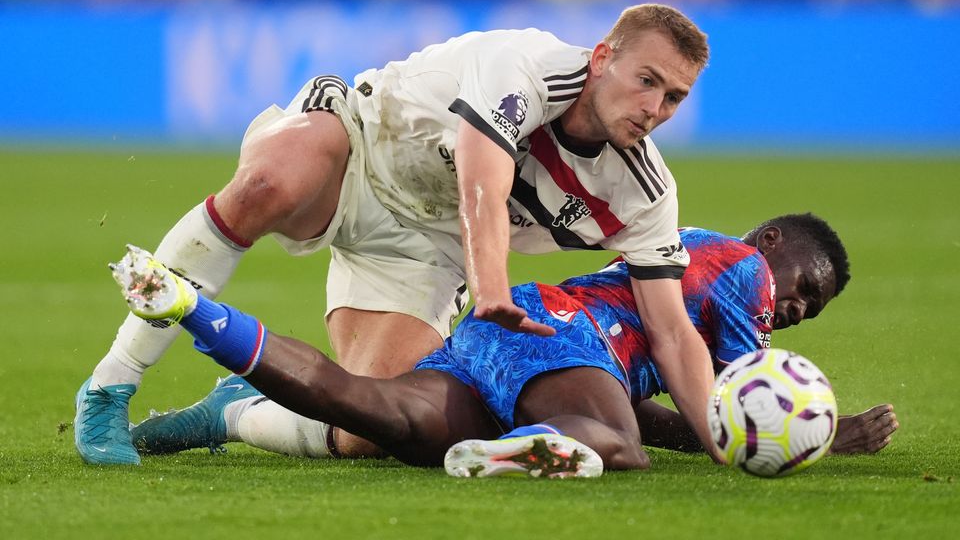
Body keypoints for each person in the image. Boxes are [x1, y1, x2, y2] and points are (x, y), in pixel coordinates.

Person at [76, 3, 721, 466]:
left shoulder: (645, 193)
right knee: (267, 185)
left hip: (428, 248)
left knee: (370, 427)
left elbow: (670, 332)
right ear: (603, 57)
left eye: (674, 99)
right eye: (647, 81)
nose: (655, 109)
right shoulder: (525, 66)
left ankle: (236, 414)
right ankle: (110, 388)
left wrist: (722, 440)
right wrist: (493, 288)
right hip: (359, 146)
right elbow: (481, 184)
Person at [109, 213, 898, 476]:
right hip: (557, 331)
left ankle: (191, 310)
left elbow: (683, 419)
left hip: (509, 336)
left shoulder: (689, 264)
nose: (795, 304)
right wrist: (820, 438)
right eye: (807, 285)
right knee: (616, 445)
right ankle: (518, 450)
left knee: (371, 415)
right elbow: (735, 410)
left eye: (810, 308)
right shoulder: (743, 269)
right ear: (773, 243)